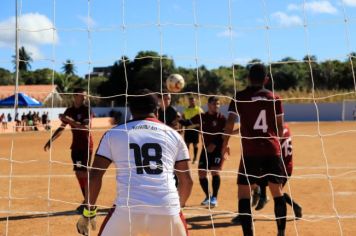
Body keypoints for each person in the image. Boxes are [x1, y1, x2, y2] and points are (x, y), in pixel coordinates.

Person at [76, 89, 193, 236]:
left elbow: (94, 176)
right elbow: (187, 181)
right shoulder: (173, 135)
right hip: (167, 210)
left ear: (130, 109)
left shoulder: (114, 134)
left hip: (127, 212)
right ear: (157, 109)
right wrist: (177, 208)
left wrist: (88, 212)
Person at [221, 64, 287, 236]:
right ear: (266, 79)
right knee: (277, 192)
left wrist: (224, 144)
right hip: (272, 150)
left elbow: (230, 123)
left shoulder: (239, 97)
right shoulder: (275, 98)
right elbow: (280, 128)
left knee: (243, 194)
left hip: (250, 152)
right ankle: (281, 233)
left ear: (248, 78)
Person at [231, 124, 302, 224]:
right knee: (276, 191)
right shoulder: (284, 127)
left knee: (249, 182)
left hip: (279, 166)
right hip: (287, 167)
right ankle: (295, 206)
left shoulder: (273, 129)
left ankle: (247, 211)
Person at [44, 88, 93, 211]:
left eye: (85, 96)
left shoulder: (87, 110)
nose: (85, 98)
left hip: (86, 146)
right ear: (75, 96)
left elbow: (86, 128)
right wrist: (51, 140)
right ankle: (87, 200)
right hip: (75, 147)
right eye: (83, 96)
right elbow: (62, 127)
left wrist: (70, 120)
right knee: (78, 173)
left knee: (84, 173)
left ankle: (89, 202)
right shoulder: (69, 110)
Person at [180, 96, 226, 207]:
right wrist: (178, 118)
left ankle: (214, 197)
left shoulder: (221, 118)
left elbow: (224, 134)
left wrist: (214, 144)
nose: (217, 106)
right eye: (215, 104)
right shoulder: (202, 116)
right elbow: (187, 123)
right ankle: (208, 196)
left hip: (217, 149)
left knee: (215, 171)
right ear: (209, 105)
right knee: (201, 173)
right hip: (205, 149)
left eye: (218, 104)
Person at [182, 97, 204, 164]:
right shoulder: (186, 110)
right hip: (188, 129)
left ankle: (195, 158)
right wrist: (182, 126)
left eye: (193, 101)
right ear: (189, 101)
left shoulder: (198, 109)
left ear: (195, 101)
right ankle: (187, 158)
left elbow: (202, 118)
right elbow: (182, 118)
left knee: (195, 145)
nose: (192, 102)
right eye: (190, 101)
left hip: (195, 129)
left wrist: (201, 128)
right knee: (187, 145)